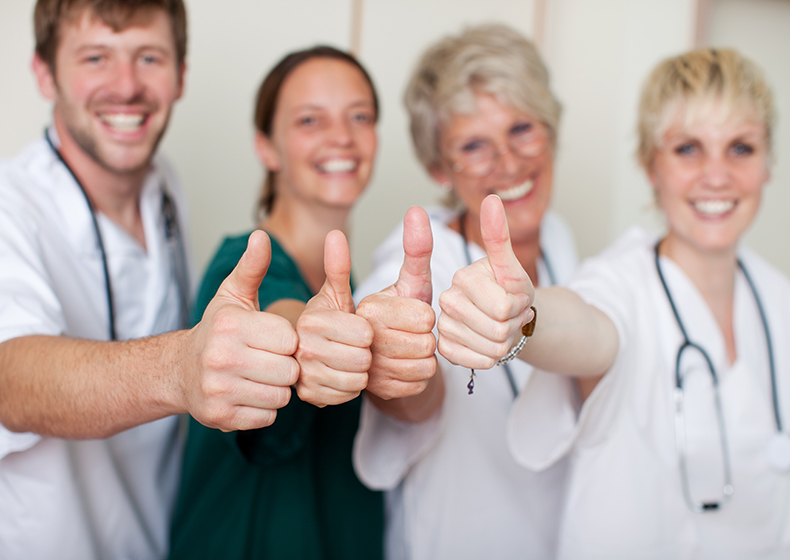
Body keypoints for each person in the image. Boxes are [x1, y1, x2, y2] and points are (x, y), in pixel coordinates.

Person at [438, 49, 790, 558]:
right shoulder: (618, 282)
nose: (717, 176)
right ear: (650, 165)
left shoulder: (779, 298)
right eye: (688, 148)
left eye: (741, 148)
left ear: (767, 164)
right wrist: (526, 315)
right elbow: (588, 328)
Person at [0, 1, 300, 558]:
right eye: (96, 57)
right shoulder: (9, 205)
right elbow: (9, 376)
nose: (126, 86)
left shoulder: (162, 185)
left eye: (149, 58)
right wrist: (180, 367)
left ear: (181, 75)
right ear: (44, 73)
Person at [352, 24, 579, 559]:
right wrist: (392, 362)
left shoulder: (559, 240)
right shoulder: (417, 262)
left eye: (522, 128)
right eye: (474, 145)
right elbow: (404, 386)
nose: (509, 162)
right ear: (439, 167)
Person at [169, 46, 386, 560]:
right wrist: (305, 333)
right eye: (310, 119)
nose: (342, 136)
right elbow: (281, 318)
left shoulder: (350, 284)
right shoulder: (241, 269)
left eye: (359, 116)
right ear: (267, 147)